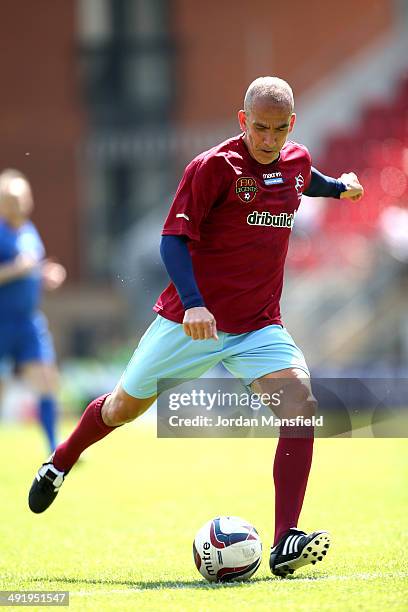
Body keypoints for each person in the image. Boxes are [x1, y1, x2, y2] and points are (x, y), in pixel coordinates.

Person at [28, 77, 363, 578]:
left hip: (257, 326)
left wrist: (339, 187)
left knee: (300, 407)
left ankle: (285, 539)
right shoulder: (212, 168)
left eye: (278, 130)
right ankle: (60, 460)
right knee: (121, 407)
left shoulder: (294, 160)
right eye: (259, 129)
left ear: (290, 126)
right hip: (190, 323)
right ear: (242, 121)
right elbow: (171, 242)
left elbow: (303, 178)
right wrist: (194, 305)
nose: (268, 140)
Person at [0, 169, 66, 452]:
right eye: (12, 198)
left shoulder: (29, 230)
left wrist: (46, 273)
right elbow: (20, 267)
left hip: (28, 322)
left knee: (47, 380)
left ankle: (54, 450)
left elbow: (32, 267)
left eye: (23, 197)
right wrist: (17, 270)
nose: (19, 203)